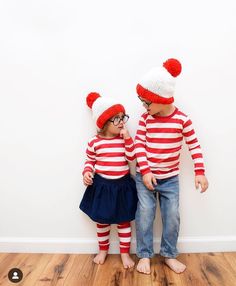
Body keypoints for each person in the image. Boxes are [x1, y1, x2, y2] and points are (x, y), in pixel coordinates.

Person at [134, 58, 209, 274]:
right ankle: (145, 254)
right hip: (145, 177)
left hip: (170, 179)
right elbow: (139, 144)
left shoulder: (182, 120)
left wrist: (200, 172)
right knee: (146, 213)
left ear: (161, 100)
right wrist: (146, 171)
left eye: (146, 102)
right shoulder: (145, 119)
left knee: (173, 215)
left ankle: (168, 254)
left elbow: (194, 145)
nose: (143, 106)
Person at [80, 92, 138, 269]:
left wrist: (128, 138)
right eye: (117, 119)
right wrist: (87, 172)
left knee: (123, 221)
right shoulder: (94, 142)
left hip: (122, 186)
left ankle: (125, 254)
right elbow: (90, 161)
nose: (122, 122)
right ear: (104, 123)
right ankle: (103, 250)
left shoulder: (123, 139)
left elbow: (131, 157)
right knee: (102, 221)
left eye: (123, 117)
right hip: (102, 186)